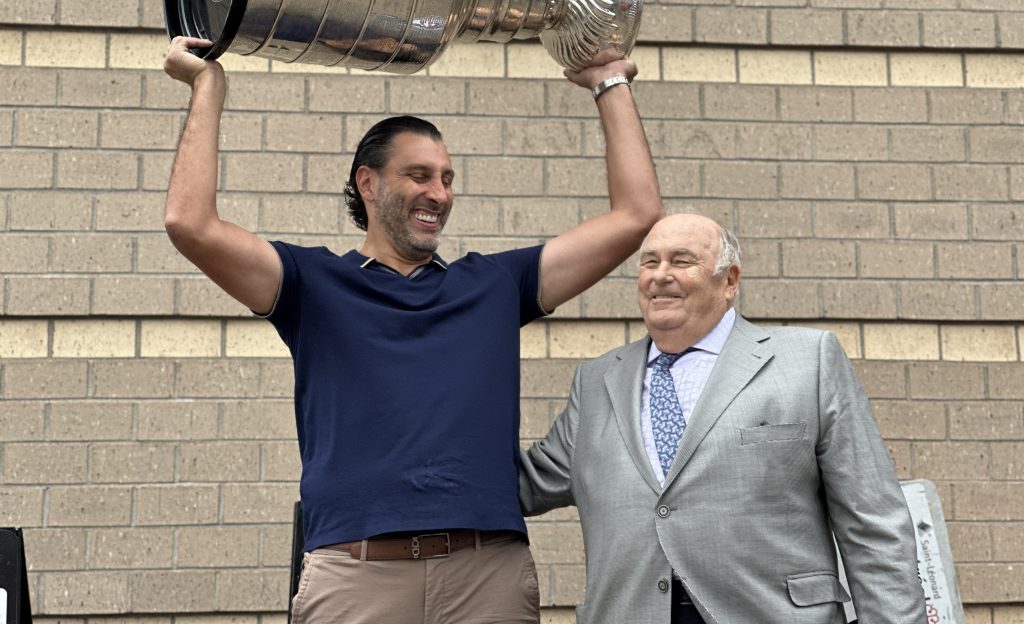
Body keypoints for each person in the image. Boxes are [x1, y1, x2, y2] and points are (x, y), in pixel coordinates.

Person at [162, 35, 662, 624]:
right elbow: (189, 222)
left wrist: (609, 82)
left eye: (448, 178)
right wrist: (206, 86)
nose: (439, 193)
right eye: (419, 175)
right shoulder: (311, 285)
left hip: (487, 577)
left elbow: (636, 216)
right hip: (356, 576)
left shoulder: (496, 285)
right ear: (368, 184)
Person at [519, 213, 924, 624]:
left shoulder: (808, 361)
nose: (660, 276)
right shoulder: (596, 382)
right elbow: (521, 485)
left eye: (681, 261)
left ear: (729, 281)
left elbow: (873, 524)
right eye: (649, 262)